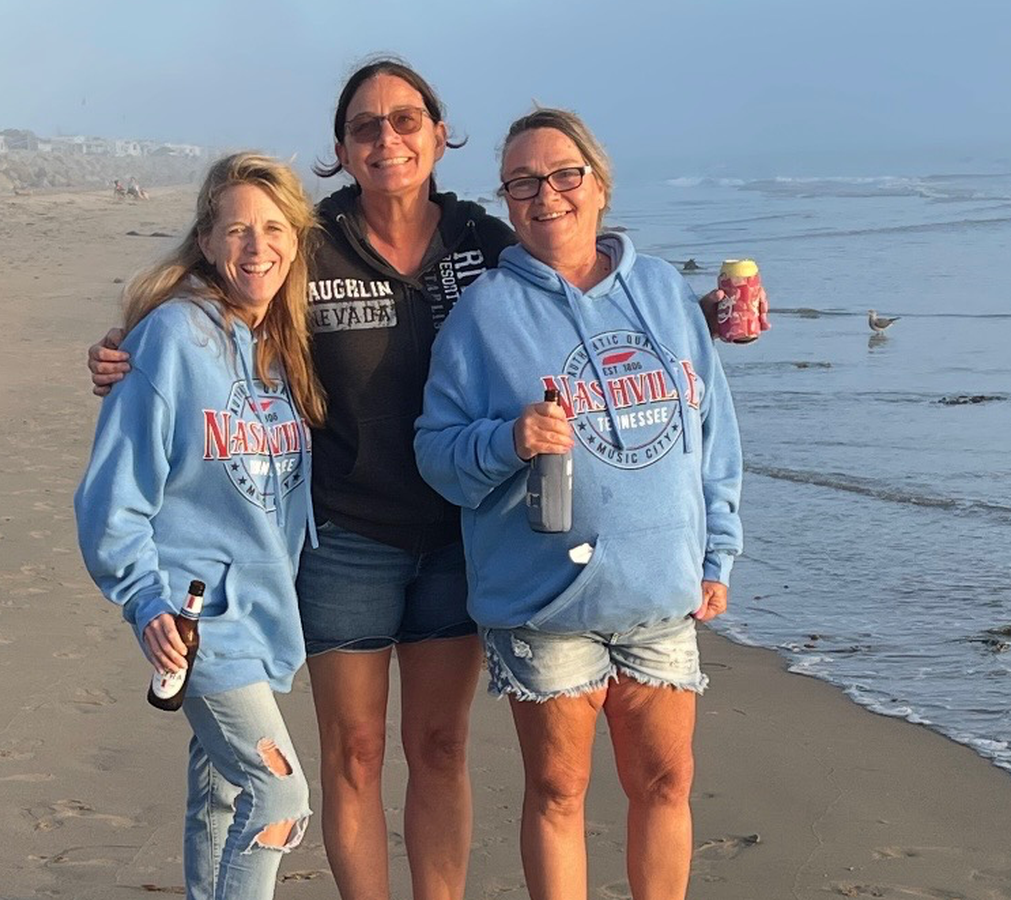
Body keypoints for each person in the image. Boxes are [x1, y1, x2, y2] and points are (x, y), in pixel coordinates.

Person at [87, 58, 736, 900]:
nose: (386, 138)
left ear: (438, 133)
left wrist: (700, 319)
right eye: (365, 126)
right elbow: (234, 285)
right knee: (354, 754)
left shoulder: (484, 241)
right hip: (345, 538)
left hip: (459, 539)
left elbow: (580, 292)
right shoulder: (312, 242)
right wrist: (131, 342)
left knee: (438, 747)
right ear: (340, 149)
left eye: (405, 120)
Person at [414, 108, 744, 900]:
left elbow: (713, 433)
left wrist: (718, 552)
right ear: (507, 201)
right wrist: (510, 439)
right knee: (559, 791)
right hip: (545, 602)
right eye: (522, 183)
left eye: (565, 175)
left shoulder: (662, 292)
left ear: (599, 185)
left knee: (665, 782)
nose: (546, 195)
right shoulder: (483, 313)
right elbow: (436, 454)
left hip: (660, 592)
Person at [74, 152, 324, 900]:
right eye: (238, 229)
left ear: (296, 240)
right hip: (198, 621)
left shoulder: (282, 348)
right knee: (280, 798)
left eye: (274, 228)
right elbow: (112, 496)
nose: (258, 246)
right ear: (208, 241)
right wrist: (145, 599)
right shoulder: (173, 339)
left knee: (223, 793)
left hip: (264, 610)